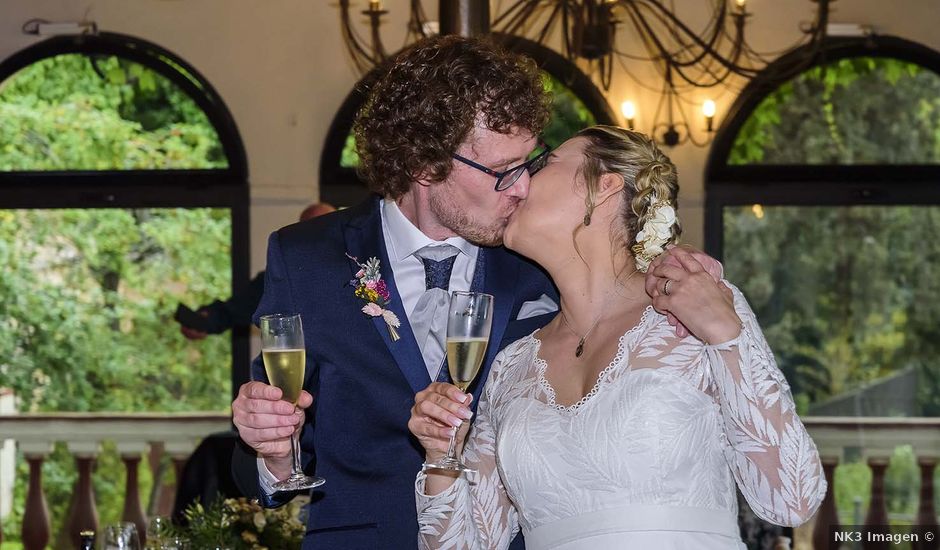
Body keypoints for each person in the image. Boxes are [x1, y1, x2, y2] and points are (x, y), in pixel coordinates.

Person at [230, 36, 718, 549]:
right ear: (424, 165)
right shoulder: (307, 257)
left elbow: (612, 278)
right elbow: (272, 442)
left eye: (528, 163)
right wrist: (273, 454)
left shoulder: (536, 252)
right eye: (503, 172)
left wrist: (664, 265)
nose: (522, 188)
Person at [409, 126, 827, 550]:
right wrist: (441, 454)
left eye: (542, 163)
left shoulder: (698, 309)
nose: (520, 182)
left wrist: (726, 334)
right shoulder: (509, 365)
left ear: (603, 186)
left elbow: (791, 499)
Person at [178, 202, 335, 340]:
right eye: (310, 230)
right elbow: (233, 310)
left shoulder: (356, 270)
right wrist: (202, 322)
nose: (317, 238)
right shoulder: (281, 278)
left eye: (324, 228)